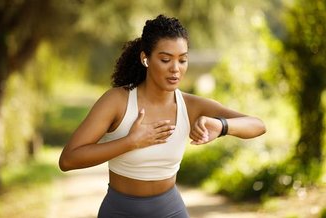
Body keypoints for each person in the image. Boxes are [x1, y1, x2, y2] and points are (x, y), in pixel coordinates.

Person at [59, 14, 266, 218]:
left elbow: (257, 125)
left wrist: (221, 126)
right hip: (119, 211)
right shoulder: (117, 101)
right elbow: (68, 160)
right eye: (166, 59)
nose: (175, 69)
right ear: (145, 58)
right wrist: (130, 142)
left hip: (169, 211)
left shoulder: (191, 105)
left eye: (182, 60)